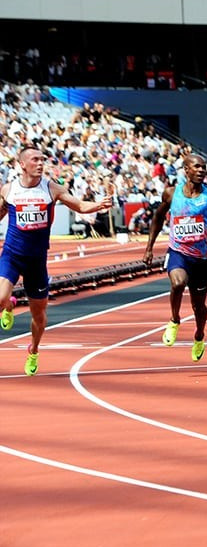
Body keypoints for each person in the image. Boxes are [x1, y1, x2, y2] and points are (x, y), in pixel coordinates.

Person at [0, 146, 113, 376]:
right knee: (0, 298)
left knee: (39, 317)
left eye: (43, 159)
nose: (41, 163)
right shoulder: (9, 190)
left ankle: (33, 349)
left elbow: (80, 206)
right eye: (35, 159)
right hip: (12, 255)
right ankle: (8, 305)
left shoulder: (52, 189)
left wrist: (98, 205)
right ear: (22, 164)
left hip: (37, 261)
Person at [142, 154, 207, 362]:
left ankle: (199, 335)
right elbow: (157, 218)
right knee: (178, 282)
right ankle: (174, 319)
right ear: (186, 170)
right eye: (197, 167)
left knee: (198, 307)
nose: (201, 171)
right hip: (178, 252)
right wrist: (149, 248)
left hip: (201, 258)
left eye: (204, 168)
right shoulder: (171, 194)